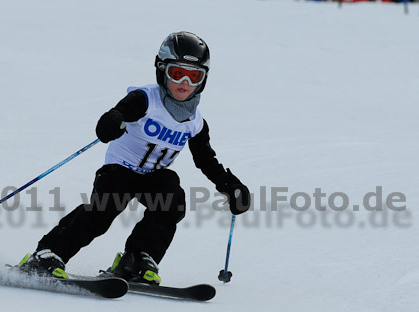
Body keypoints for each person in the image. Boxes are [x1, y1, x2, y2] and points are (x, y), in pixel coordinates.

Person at [18, 31, 251, 285]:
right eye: (177, 73)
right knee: (105, 207)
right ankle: (47, 254)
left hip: (154, 176)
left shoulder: (195, 122)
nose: (184, 81)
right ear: (162, 71)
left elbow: (206, 160)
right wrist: (112, 122)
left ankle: (138, 259)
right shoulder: (145, 99)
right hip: (120, 169)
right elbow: (117, 114)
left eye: (194, 76)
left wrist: (230, 185)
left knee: (171, 198)